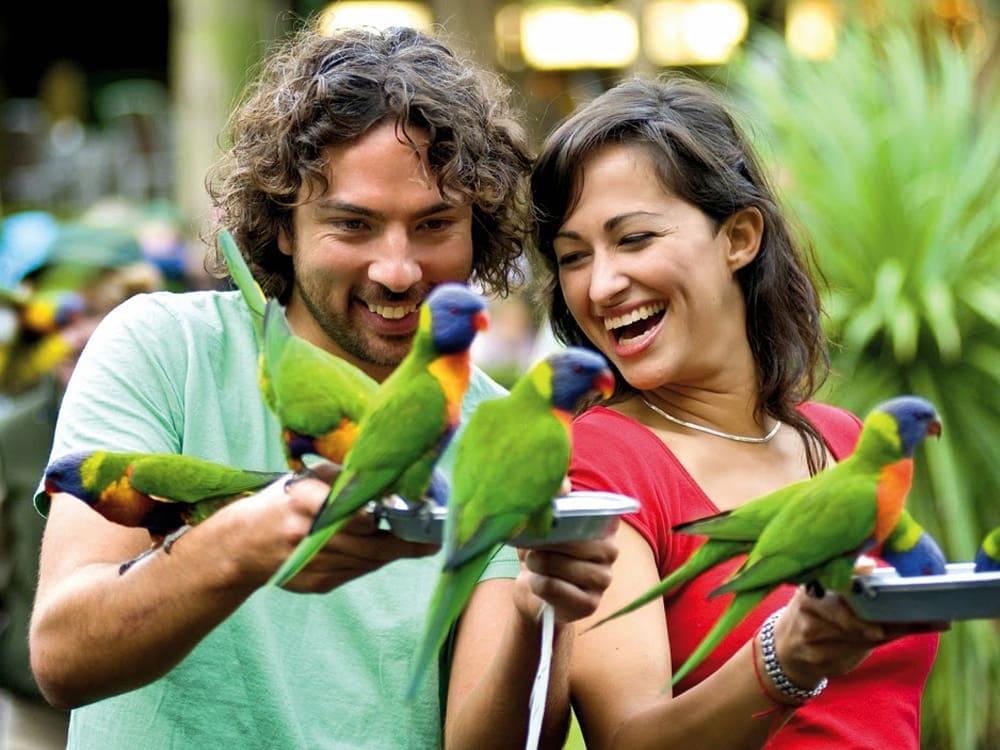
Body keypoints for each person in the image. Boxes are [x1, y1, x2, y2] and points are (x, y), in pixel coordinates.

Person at [28, 21, 618, 750]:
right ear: (284, 225)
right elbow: (61, 657)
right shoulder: (164, 348)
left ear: (479, 229)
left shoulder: (498, 430)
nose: (397, 270)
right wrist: (242, 544)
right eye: (354, 224)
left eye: (435, 223)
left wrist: (542, 609)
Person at [528, 75, 943, 749]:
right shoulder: (599, 464)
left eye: (633, 239)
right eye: (573, 257)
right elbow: (626, 740)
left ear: (740, 237)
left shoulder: (843, 442)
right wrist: (786, 661)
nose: (601, 285)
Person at [0, 226, 163, 750]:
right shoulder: (16, 433)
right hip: (35, 711)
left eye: (96, 312)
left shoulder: (178, 416)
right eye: (57, 315)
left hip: (144, 703)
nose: (73, 334)